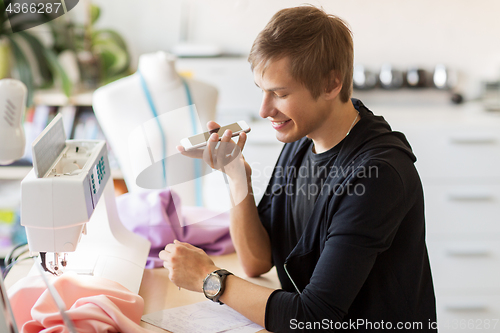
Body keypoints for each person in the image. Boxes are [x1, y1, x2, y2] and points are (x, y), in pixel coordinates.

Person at [159, 5, 437, 332]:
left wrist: (211, 280)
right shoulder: (301, 141)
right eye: (262, 90)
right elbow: (257, 259)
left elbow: (314, 317)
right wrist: (235, 174)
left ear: (332, 84)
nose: (264, 110)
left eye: (280, 93)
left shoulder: (378, 175)